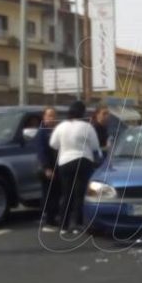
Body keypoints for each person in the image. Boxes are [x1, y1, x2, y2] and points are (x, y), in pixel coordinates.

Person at [50, 101, 101, 235]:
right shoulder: (87, 127)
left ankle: (63, 225)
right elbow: (95, 146)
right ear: (82, 112)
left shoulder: (61, 126)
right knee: (79, 194)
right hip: (83, 161)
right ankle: (77, 223)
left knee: (66, 193)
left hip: (65, 162)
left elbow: (53, 144)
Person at [37, 107, 61, 232]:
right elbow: (41, 152)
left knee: (56, 194)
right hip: (47, 168)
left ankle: (54, 217)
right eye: (49, 116)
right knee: (48, 194)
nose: (52, 118)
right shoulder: (42, 132)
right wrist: (47, 168)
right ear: (44, 117)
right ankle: (47, 220)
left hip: (58, 167)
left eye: (54, 116)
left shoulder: (57, 130)